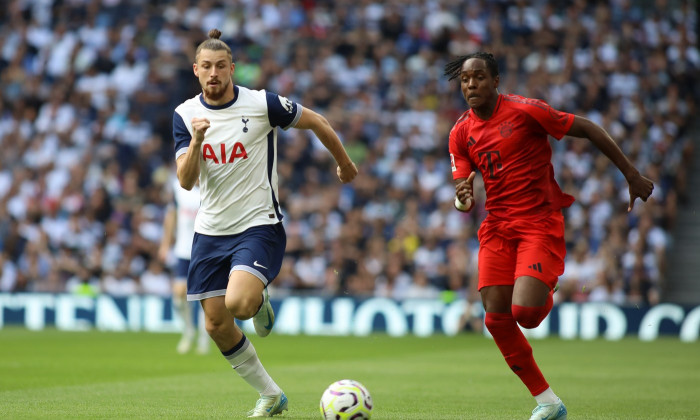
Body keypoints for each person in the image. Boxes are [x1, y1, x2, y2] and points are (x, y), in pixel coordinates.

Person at [445, 52, 654, 420]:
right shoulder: (460, 132)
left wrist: (631, 175)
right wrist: (463, 199)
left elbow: (588, 128)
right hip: (496, 226)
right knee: (495, 319)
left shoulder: (526, 111)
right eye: (465, 79)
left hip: (537, 222)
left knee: (525, 313)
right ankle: (548, 402)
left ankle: (546, 285)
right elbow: (462, 192)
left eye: (478, 77)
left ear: (496, 81)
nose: (471, 85)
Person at [173, 29, 358, 417]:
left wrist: (344, 162)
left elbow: (318, 122)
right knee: (215, 325)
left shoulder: (261, 104)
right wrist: (196, 141)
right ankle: (271, 395)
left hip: (258, 223)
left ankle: (258, 301)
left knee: (238, 303)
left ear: (232, 69)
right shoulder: (186, 115)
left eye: (221, 66)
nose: (213, 74)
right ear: (195, 70)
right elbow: (186, 181)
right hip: (210, 231)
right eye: (206, 66)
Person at [158, 176, 210, 355]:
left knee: (205, 296)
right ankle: (188, 330)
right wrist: (165, 244)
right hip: (183, 249)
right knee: (179, 293)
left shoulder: (211, 186)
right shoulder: (178, 188)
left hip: (206, 250)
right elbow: (171, 215)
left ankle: (204, 337)